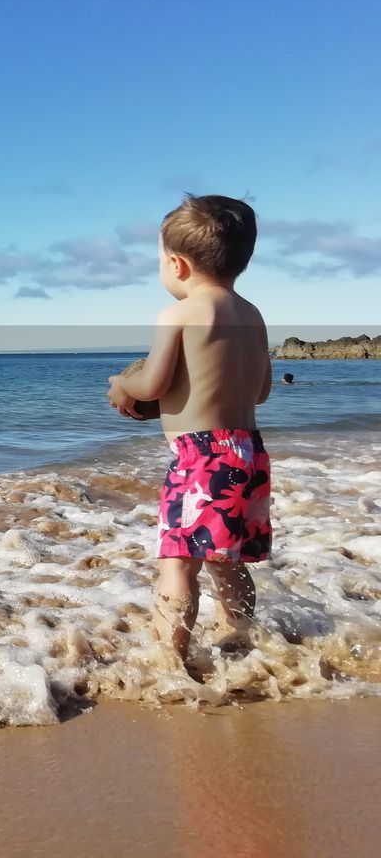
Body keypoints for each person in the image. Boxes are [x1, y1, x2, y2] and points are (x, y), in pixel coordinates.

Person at [106, 194, 272, 664]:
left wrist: (123, 384)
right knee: (228, 559)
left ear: (177, 265)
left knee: (177, 563)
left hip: (201, 458)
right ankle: (238, 640)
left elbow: (153, 383)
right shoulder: (253, 316)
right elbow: (259, 392)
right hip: (248, 453)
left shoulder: (176, 315)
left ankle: (169, 662)